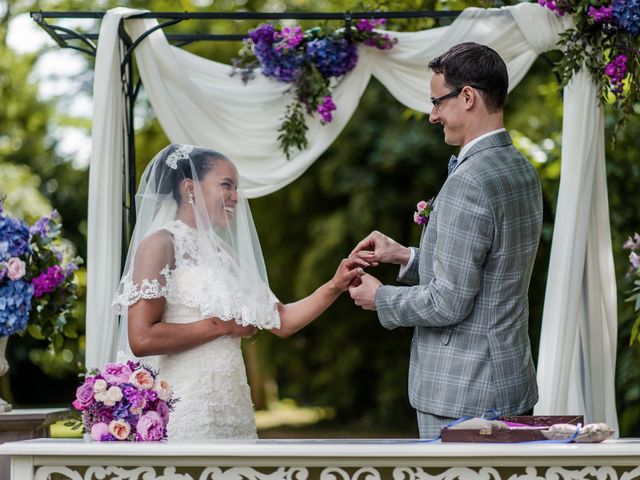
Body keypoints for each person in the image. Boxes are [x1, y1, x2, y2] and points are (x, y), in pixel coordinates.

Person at [348, 42, 543, 439]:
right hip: (509, 379)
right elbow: (487, 271)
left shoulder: (470, 180)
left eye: (438, 103)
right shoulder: (520, 169)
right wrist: (404, 256)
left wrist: (380, 298)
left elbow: (448, 302)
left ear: (467, 97)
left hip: (463, 390)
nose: (433, 115)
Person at [112, 144, 366, 440]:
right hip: (186, 407)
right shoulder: (161, 244)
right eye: (226, 185)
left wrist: (334, 285)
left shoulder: (225, 255)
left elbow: (282, 320)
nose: (235, 196)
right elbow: (141, 338)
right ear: (190, 188)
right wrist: (220, 326)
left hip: (234, 409)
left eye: (236, 187)